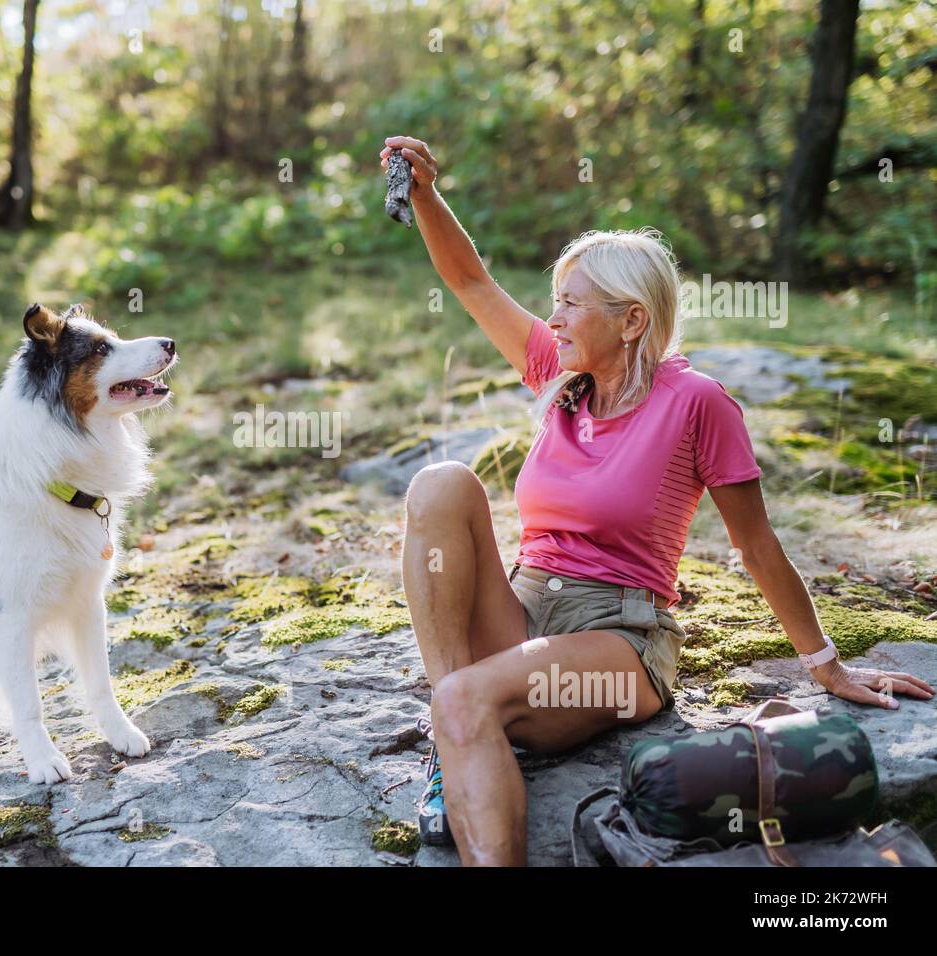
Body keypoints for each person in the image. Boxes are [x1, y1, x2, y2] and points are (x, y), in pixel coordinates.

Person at [380, 134, 935, 866]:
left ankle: (457, 726)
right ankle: (453, 746)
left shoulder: (698, 404)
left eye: (570, 306)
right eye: (555, 304)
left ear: (631, 320)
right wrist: (422, 191)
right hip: (524, 615)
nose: (552, 321)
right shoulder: (562, 372)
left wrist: (825, 662)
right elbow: (472, 282)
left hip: (620, 644)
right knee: (439, 483)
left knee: (460, 703)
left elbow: (757, 546)